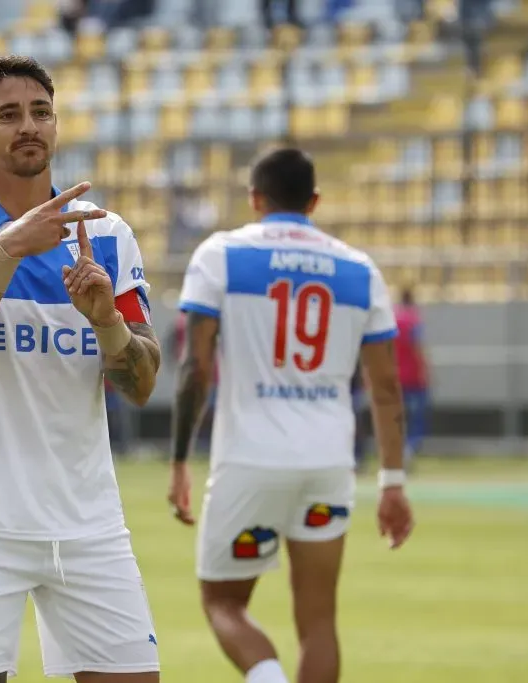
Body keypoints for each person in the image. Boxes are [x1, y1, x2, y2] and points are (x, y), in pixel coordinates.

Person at [0, 55, 161, 683]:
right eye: (8, 115)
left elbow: (142, 383)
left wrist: (107, 321)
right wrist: (8, 248)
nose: (29, 126)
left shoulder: (106, 235)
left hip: (88, 522)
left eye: (41, 112)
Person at [168, 148, 414, 683]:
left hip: (249, 460)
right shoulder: (360, 269)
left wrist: (180, 460)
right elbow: (386, 387)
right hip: (328, 464)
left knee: (223, 602)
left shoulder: (220, 255)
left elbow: (195, 368)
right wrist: (393, 482)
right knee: (319, 622)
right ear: (314, 201)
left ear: (255, 199)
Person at [394, 287, 430, 461]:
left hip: (395, 376)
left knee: (398, 416)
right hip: (414, 377)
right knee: (417, 417)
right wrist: (426, 370)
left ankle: (398, 447)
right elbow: (418, 347)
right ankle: (410, 446)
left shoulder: (392, 318)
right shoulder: (413, 320)